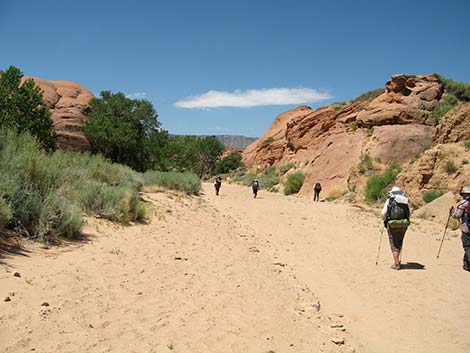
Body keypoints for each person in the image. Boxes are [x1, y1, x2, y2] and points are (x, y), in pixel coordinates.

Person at [381, 186, 411, 270]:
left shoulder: (390, 200)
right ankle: (397, 260)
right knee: (400, 241)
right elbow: (409, 213)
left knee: (393, 242)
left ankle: (396, 264)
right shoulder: (405, 200)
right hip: (404, 224)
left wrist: (384, 219)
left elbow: (383, 212)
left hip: (392, 224)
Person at [450, 186, 470, 272]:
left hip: (467, 227)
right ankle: (466, 265)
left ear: (464, 194)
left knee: (467, 246)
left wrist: (451, 212)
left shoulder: (464, 203)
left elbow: (457, 215)